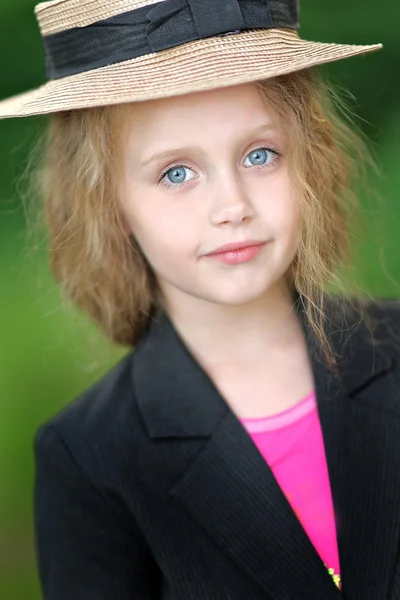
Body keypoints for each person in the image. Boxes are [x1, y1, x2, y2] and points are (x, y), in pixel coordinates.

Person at [1, 0, 399, 598]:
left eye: (260, 155)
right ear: (108, 205)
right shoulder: (90, 456)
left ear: (307, 161)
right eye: (176, 173)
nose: (232, 205)